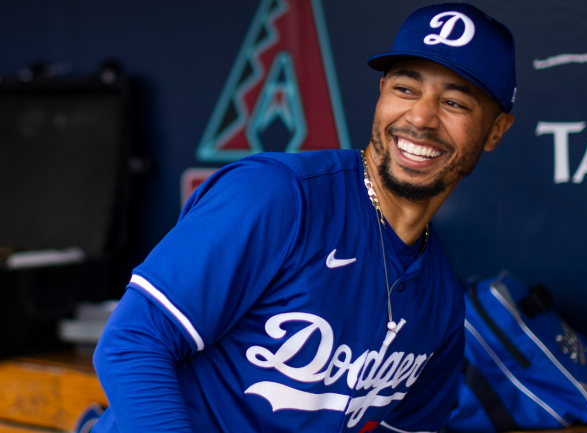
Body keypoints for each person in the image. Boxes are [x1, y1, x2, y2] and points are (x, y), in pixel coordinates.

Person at [92, 3, 516, 432]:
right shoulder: (277, 196)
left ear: (496, 130)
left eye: (454, 102)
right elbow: (133, 343)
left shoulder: (441, 299)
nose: (421, 116)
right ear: (382, 92)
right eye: (405, 89)